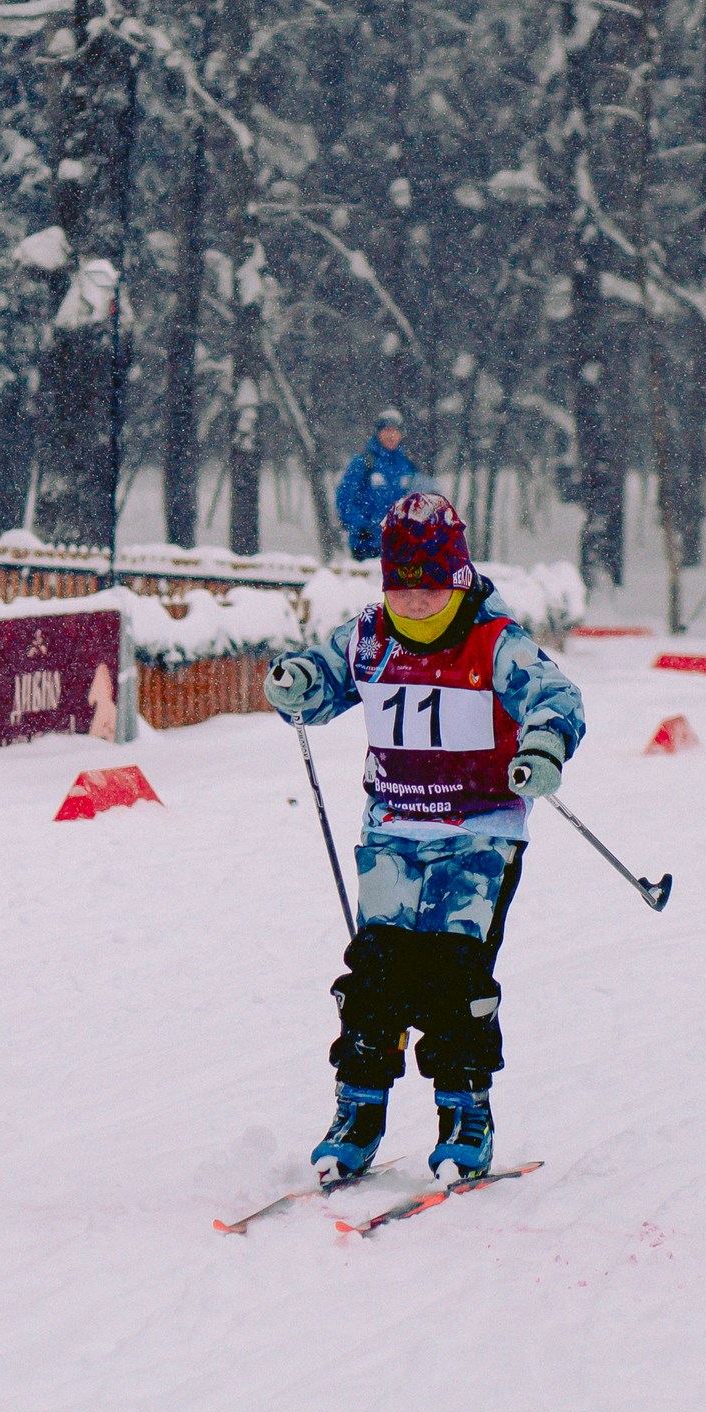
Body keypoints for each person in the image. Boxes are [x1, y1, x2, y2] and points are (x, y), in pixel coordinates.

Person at [265, 490, 584, 1183]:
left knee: (452, 974)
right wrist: (296, 681)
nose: (413, 602)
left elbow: (555, 700)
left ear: (458, 578)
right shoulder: (370, 636)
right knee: (374, 972)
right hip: (392, 831)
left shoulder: (492, 640)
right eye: (400, 587)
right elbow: (323, 679)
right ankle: (358, 1109)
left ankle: (465, 1111)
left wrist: (542, 749)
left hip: (478, 835)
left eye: (429, 586)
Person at [334, 409, 417, 560]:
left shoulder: (407, 466)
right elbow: (344, 500)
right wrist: (362, 527)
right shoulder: (364, 463)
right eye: (387, 430)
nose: (391, 436)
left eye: (395, 431)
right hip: (367, 547)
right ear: (378, 433)